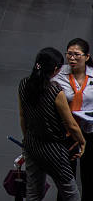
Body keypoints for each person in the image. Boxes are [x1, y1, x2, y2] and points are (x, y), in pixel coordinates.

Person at [18, 48, 86, 201]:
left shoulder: (24, 84)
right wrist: (82, 141)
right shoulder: (55, 90)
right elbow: (71, 124)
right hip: (53, 149)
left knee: (34, 193)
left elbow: (23, 116)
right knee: (71, 194)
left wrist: (27, 140)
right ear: (55, 70)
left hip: (31, 143)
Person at [53, 39, 93, 195]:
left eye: (77, 55)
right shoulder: (58, 74)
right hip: (66, 132)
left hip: (89, 131)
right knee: (66, 177)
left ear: (86, 57)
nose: (72, 58)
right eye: (69, 54)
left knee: (89, 175)